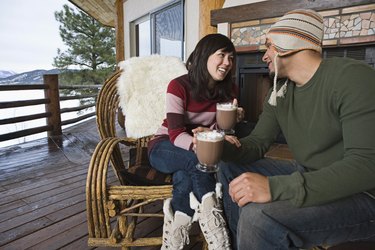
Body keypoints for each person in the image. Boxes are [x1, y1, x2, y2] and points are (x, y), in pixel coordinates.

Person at [215, 9, 375, 250]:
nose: (264, 56)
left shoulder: (352, 78)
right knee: (230, 167)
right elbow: (257, 142)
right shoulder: (279, 91)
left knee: (259, 217)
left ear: (288, 46)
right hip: (309, 172)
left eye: (269, 46)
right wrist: (222, 148)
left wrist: (275, 188)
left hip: (363, 196)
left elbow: (366, 166)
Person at [148, 33, 243, 250]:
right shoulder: (178, 86)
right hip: (164, 146)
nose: (227, 63)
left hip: (196, 150)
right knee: (198, 161)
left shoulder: (230, 91)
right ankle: (217, 231)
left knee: (184, 176)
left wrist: (230, 122)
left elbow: (218, 130)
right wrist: (203, 141)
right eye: (222, 55)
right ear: (204, 56)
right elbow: (175, 134)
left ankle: (175, 238)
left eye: (231, 57)